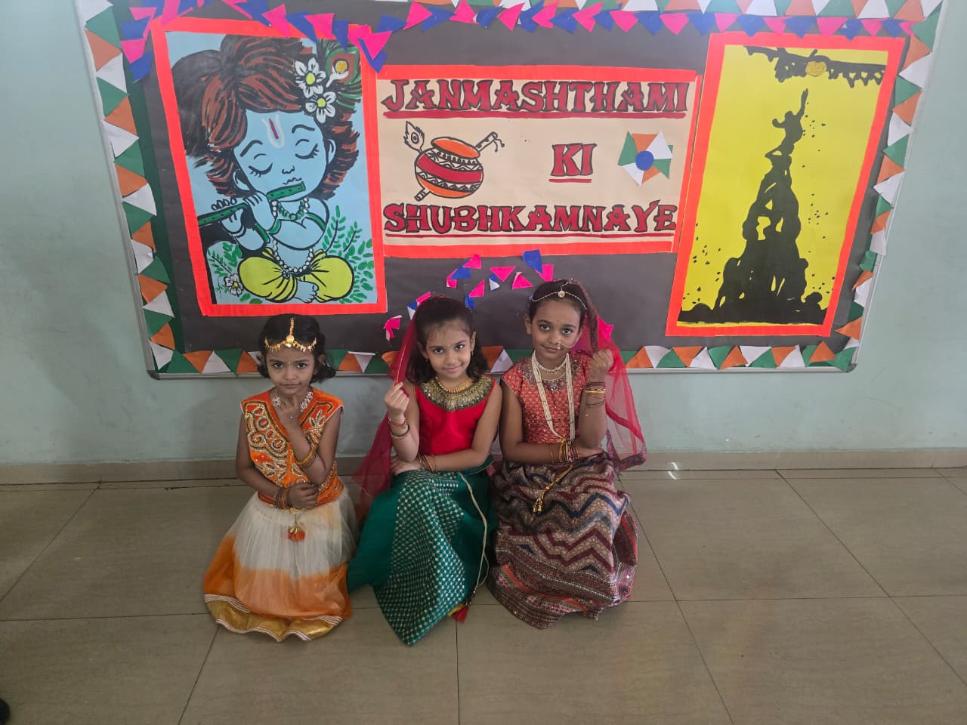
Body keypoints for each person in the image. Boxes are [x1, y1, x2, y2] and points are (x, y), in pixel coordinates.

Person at [489, 278, 646, 628]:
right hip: (531, 471)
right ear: (528, 324)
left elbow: (592, 440)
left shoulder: (585, 370)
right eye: (544, 327)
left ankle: (590, 585)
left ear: (578, 334)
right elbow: (512, 449)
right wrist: (567, 450)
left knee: (598, 505)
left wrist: (596, 381)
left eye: (566, 331)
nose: (554, 339)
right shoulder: (514, 380)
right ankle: (547, 578)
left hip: (584, 466)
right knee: (554, 512)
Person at [350, 296, 501, 645]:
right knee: (407, 491)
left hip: (465, 481)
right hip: (419, 472)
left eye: (459, 347)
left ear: (472, 342)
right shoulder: (415, 389)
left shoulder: (491, 390)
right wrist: (396, 417)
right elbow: (408, 451)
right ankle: (414, 576)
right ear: (423, 350)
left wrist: (424, 464)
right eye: (439, 350)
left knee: (414, 485)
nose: (451, 359)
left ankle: (445, 582)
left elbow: (478, 455)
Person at [174, 37, 362, 303]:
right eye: (261, 161)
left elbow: (304, 238)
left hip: (314, 267)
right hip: (275, 269)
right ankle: (294, 290)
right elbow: (257, 245)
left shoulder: (314, 207)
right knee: (251, 270)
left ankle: (303, 286)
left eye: (304, 147)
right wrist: (238, 230)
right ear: (241, 177)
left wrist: (270, 222)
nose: (287, 169)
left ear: (328, 149)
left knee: (339, 273)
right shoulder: (264, 208)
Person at [203, 315, 355, 640]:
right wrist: (282, 496)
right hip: (271, 503)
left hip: (319, 506)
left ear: (318, 363)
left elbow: (318, 473)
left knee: (313, 590)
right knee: (260, 591)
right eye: (278, 365)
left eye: (301, 365)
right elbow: (243, 468)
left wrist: (292, 428)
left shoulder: (330, 409)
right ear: (265, 363)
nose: (289, 376)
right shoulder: (252, 409)